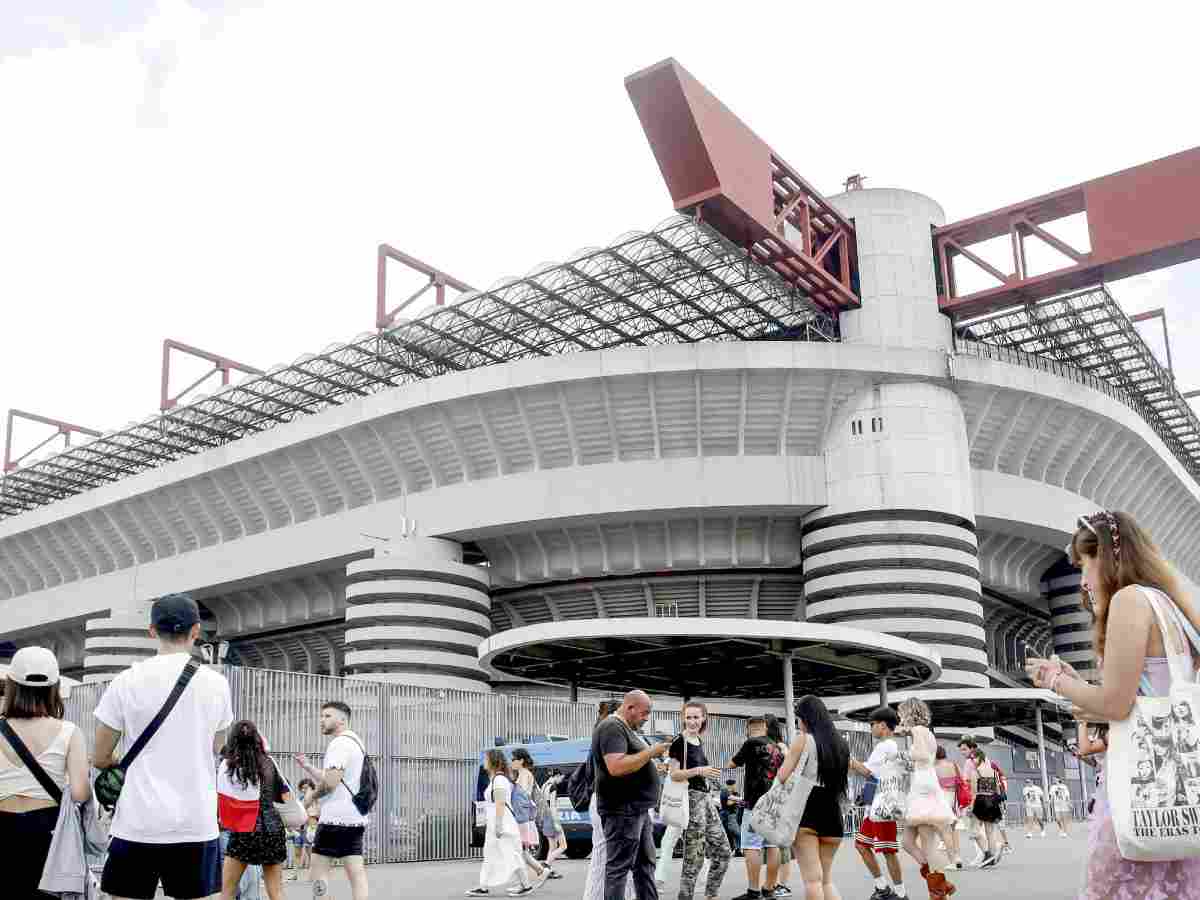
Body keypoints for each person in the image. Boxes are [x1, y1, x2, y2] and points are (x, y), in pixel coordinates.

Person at [1026, 509, 1200, 898]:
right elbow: (1147, 695)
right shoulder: (1172, 608)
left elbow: (1116, 705)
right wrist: (1081, 687)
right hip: (1179, 788)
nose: (1083, 579)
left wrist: (1055, 681)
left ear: (1106, 557)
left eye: (1083, 564)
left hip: (1138, 789)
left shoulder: (1129, 601)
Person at [94, 593, 234, 900]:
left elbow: (100, 756)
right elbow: (217, 745)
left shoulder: (125, 682)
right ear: (196, 630)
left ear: (152, 630)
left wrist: (132, 760)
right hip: (195, 822)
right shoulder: (216, 684)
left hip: (136, 821)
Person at [0, 646, 92, 898]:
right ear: (55, 688)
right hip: (48, 831)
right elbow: (80, 793)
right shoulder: (69, 732)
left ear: (12, 687)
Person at [592, 690, 669, 900]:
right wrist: (651, 752)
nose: (646, 719)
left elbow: (633, 762)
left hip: (637, 810)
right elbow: (616, 766)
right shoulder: (612, 727)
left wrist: (652, 765)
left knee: (645, 864)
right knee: (619, 868)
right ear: (630, 708)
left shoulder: (626, 728)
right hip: (622, 811)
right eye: (644, 713)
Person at [294, 701, 370, 900]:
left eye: (327, 716)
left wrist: (310, 798)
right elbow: (337, 778)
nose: (322, 720)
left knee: (318, 873)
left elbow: (330, 783)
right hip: (355, 817)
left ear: (342, 719)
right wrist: (309, 767)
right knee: (356, 873)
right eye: (322, 716)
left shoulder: (339, 743)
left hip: (334, 819)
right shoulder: (356, 742)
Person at [775, 695, 849, 900]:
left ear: (805, 718)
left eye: (799, 719)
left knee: (812, 881)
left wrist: (786, 754)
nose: (799, 724)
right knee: (826, 880)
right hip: (833, 814)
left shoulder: (804, 740)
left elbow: (782, 776)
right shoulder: (841, 744)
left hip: (807, 811)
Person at [217, 720, 291, 900]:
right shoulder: (269, 762)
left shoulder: (228, 765)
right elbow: (285, 796)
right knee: (276, 892)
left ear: (233, 739)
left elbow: (220, 800)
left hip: (244, 830)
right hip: (273, 829)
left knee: (227, 891)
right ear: (257, 738)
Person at [667, 701, 731, 900]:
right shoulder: (680, 741)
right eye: (688, 717)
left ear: (704, 718)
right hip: (692, 801)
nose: (692, 721)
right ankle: (685, 897)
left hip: (706, 800)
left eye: (696, 717)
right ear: (683, 719)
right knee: (693, 858)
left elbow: (700, 773)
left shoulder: (698, 740)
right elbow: (674, 774)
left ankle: (711, 894)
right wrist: (699, 771)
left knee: (723, 851)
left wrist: (709, 778)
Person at [895, 698, 956, 900]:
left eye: (901, 714)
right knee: (907, 841)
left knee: (927, 842)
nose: (900, 718)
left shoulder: (918, 731)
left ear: (909, 714)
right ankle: (938, 881)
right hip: (924, 781)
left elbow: (920, 754)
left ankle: (938, 891)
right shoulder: (926, 732)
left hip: (922, 784)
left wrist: (903, 755)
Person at [849, 706, 907, 900]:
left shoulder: (885, 746)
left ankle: (899, 893)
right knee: (862, 845)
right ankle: (883, 887)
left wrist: (848, 759)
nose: (871, 728)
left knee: (887, 850)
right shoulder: (888, 746)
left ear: (883, 725)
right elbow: (876, 776)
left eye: (872, 724)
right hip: (876, 806)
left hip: (882, 806)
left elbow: (867, 772)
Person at [728, 716, 783, 900]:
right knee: (772, 845)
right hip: (774, 803)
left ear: (750, 728)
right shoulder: (776, 746)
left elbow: (733, 764)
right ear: (765, 727)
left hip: (755, 802)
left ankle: (753, 892)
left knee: (751, 846)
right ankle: (769, 889)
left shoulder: (750, 742)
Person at [467, 749, 534, 896]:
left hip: (503, 823)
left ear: (493, 761)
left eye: (486, 759)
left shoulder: (499, 780)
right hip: (498, 822)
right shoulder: (497, 779)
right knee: (490, 854)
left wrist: (498, 825)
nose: (484, 762)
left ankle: (526, 885)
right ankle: (483, 886)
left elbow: (500, 803)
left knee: (511, 854)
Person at [511, 749, 558, 881]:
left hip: (522, 818)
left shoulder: (525, 774)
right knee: (521, 851)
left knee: (518, 851)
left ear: (521, 761)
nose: (512, 762)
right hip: (523, 818)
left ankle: (527, 880)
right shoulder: (522, 774)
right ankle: (539, 872)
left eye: (513, 759)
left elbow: (523, 797)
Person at [765, 715, 793, 898]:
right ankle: (773, 883)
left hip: (779, 799)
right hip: (769, 799)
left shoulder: (781, 747)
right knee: (772, 844)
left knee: (780, 844)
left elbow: (792, 767)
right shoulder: (762, 746)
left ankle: (782, 884)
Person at [968, 748, 1004, 869]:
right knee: (990, 832)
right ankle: (992, 856)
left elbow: (974, 793)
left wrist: (970, 807)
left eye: (973, 758)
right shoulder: (994, 771)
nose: (972, 761)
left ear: (980, 757)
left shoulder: (975, 772)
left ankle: (987, 853)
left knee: (974, 831)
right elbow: (998, 791)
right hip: (992, 802)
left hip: (980, 801)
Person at [954, 737, 985, 867]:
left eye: (964, 749)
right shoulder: (983, 760)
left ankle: (984, 853)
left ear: (972, 748)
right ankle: (987, 852)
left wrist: (969, 803)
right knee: (980, 827)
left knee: (974, 829)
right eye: (961, 750)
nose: (962, 752)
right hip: (984, 796)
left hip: (973, 798)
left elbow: (966, 783)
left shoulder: (969, 762)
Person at [932, 747, 962, 867]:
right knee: (954, 830)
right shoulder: (954, 765)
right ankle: (958, 857)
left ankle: (952, 860)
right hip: (955, 799)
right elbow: (962, 781)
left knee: (945, 831)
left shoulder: (934, 769)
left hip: (942, 799)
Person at [289, 778, 319, 880]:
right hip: (299, 828)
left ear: (311, 788)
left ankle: (314, 874)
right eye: (302, 788)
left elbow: (316, 812)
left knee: (310, 852)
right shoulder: (300, 799)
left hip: (310, 828)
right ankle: (294, 874)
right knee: (297, 852)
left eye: (307, 788)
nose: (304, 790)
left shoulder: (314, 798)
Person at [541, 768, 568, 868]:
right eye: (561, 778)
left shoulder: (544, 785)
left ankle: (549, 870)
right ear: (557, 776)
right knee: (563, 846)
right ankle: (546, 864)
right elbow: (552, 806)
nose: (561, 781)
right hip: (552, 818)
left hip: (546, 817)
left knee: (552, 847)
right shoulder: (552, 787)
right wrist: (557, 823)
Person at [719, 780, 741, 855]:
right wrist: (738, 800)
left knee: (733, 833)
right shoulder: (724, 791)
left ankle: (736, 849)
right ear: (731, 785)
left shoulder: (736, 793)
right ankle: (734, 849)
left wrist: (736, 800)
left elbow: (740, 803)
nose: (736, 787)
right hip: (726, 815)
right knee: (734, 832)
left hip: (733, 815)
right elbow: (729, 803)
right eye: (735, 785)